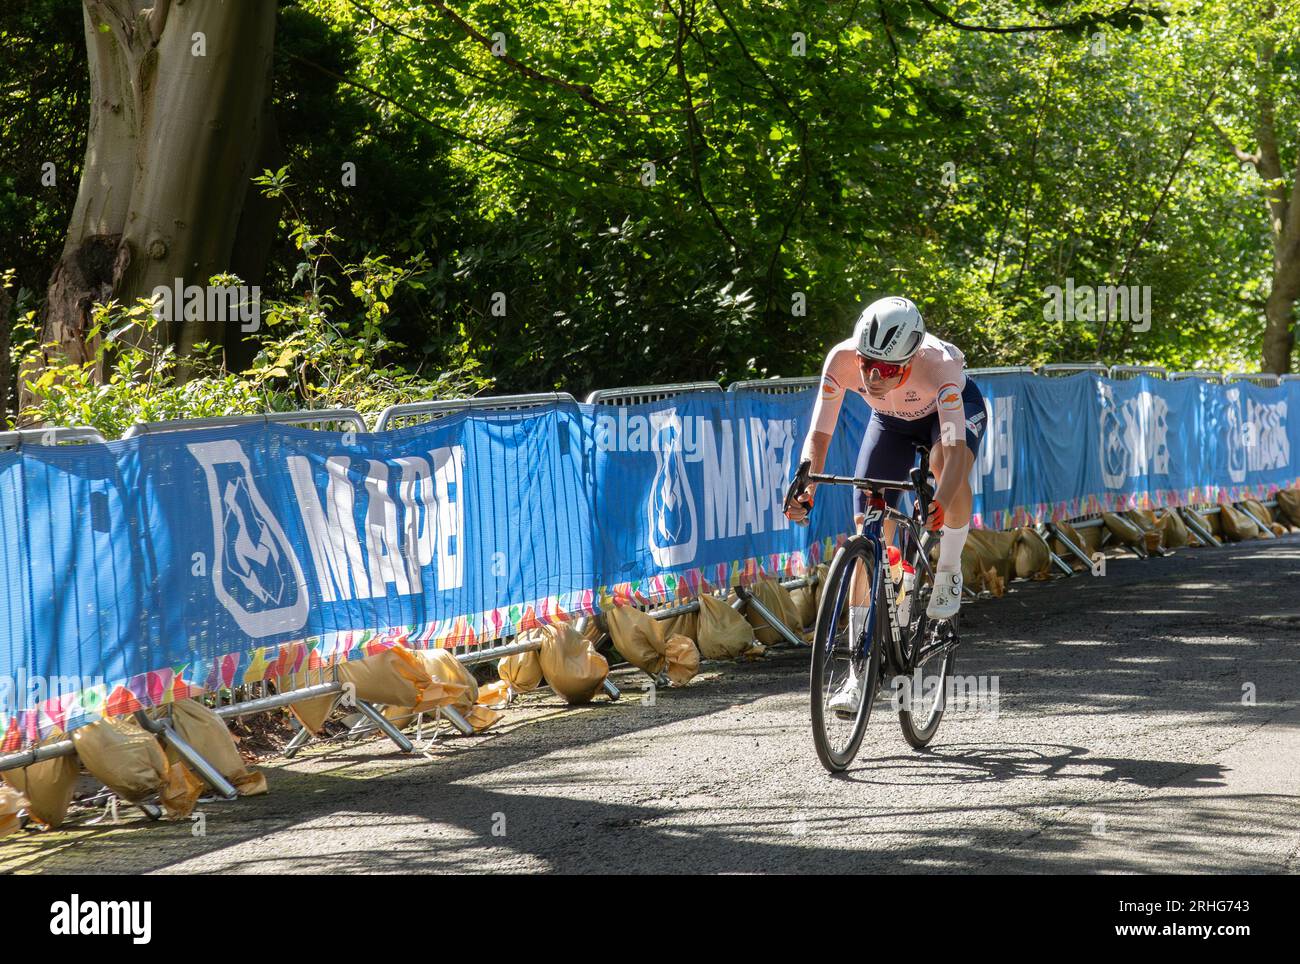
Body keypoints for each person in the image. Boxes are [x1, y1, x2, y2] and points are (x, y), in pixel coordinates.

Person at [785, 297, 986, 710]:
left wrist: (940, 502)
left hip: (947, 419)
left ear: (910, 361)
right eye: (867, 365)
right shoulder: (841, 360)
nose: (874, 377)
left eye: (889, 370)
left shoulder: (940, 367)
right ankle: (859, 674)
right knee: (868, 527)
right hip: (889, 423)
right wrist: (805, 483)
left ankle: (948, 567)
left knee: (942, 462)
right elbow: (819, 436)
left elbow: (953, 444)